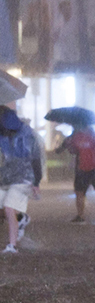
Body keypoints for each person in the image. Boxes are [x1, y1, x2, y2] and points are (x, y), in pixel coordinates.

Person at [55, 122, 95, 224]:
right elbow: (75, 151)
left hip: (88, 169)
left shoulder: (86, 137)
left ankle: (84, 215)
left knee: (87, 192)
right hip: (87, 169)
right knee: (84, 192)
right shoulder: (85, 137)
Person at [0, 106, 42, 254]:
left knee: (9, 207)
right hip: (7, 178)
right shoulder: (3, 135)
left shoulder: (27, 136)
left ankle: (12, 246)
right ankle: (21, 219)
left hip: (24, 178)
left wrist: (36, 182)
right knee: (5, 207)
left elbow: (36, 159)